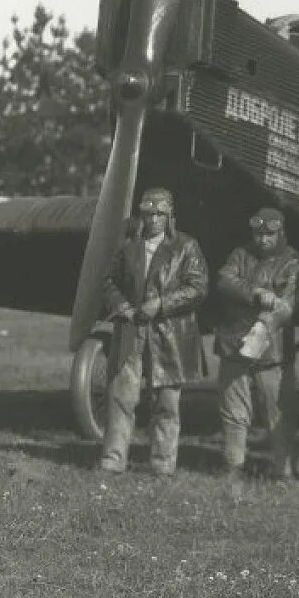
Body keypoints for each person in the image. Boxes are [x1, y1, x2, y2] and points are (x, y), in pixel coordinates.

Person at [99, 188, 209, 476]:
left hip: (169, 334)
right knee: (121, 396)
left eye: (160, 214)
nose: (154, 220)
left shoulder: (187, 246)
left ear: (170, 215)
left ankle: (162, 464)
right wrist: (122, 305)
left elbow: (198, 287)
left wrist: (161, 304)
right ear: (142, 216)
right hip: (131, 330)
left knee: (167, 403)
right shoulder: (129, 247)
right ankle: (113, 459)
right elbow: (109, 281)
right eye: (149, 214)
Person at [214, 207, 299, 488]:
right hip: (234, 343)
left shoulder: (294, 262)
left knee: (277, 410)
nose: (263, 239)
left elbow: (287, 305)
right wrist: (256, 293)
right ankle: (234, 465)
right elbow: (224, 280)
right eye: (258, 233)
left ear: (280, 233)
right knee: (233, 409)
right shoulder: (239, 254)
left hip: (272, 349)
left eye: (269, 234)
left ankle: (283, 468)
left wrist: (263, 325)